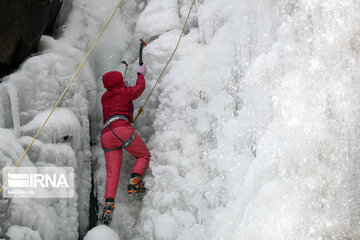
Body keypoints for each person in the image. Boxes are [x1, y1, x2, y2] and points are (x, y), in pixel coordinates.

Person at [100, 64, 151, 225]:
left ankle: (108, 205)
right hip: (121, 129)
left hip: (107, 135)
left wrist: (123, 88)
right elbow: (139, 89)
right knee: (143, 154)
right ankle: (135, 180)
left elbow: (117, 98)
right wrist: (140, 74)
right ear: (119, 82)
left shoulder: (105, 97)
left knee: (112, 173)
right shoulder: (123, 91)